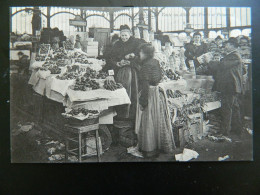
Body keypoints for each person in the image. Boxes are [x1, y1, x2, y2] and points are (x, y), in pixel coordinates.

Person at [135, 43, 176, 158]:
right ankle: (160, 146)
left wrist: (143, 102)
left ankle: (149, 149)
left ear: (144, 53)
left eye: (140, 52)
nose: (139, 54)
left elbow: (145, 84)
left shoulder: (145, 66)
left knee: (148, 121)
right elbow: (158, 77)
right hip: (157, 93)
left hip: (150, 94)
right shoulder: (155, 62)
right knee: (157, 120)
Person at [108, 24, 145, 120]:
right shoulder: (117, 44)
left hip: (132, 72)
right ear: (120, 35)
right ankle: (122, 114)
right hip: (120, 72)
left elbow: (141, 57)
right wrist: (117, 63)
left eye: (126, 35)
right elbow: (111, 58)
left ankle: (132, 114)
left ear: (130, 35)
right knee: (121, 90)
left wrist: (132, 58)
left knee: (132, 92)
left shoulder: (137, 43)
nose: (124, 37)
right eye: (122, 35)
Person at [218, 37, 243, 137]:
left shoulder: (234, 55)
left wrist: (209, 62)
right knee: (234, 108)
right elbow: (244, 70)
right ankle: (237, 130)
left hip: (230, 86)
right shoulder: (234, 55)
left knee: (226, 108)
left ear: (232, 45)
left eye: (227, 44)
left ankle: (225, 132)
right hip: (233, 86)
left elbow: (222, 65)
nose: (225, 46)